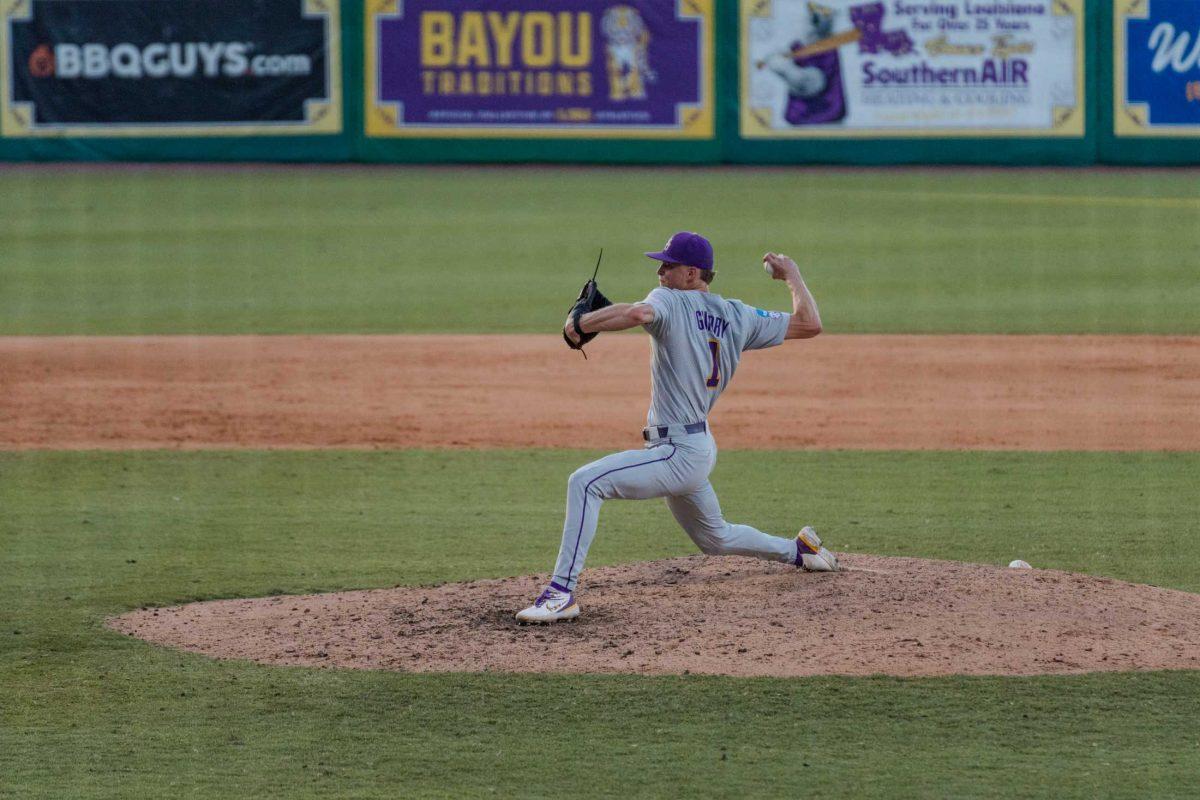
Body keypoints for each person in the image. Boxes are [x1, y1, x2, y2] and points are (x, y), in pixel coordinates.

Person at [515, 232, 837, 624]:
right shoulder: (737, 315)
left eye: (667, 265)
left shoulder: (669, 298)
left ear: (691, 273)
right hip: (696, 447)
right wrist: (792, 276)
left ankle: (560, 593)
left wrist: (579, 322)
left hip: (677, 453)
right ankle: (798, 550)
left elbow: (637, 314)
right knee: (715, 537)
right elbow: (810, 324)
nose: (659, 271)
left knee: (585, 482)